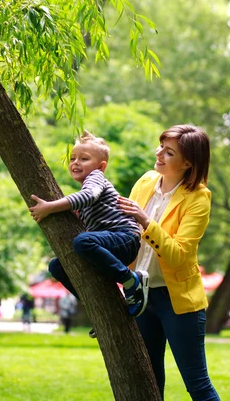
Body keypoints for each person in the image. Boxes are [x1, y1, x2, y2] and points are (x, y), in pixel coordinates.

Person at [117, 124, 220, 400]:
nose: (159, 153)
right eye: (161, 146)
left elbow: (178, 254)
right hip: (141, 296)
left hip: (178, 302)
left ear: (188, 162)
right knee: (150, 380)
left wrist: (145, 221)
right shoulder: (146, 181)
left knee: (197, 383)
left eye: (169, 152)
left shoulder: (199, 198)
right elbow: (122, 228)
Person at [29, 131, 148, 319]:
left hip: (124, 238)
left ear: (101, 167)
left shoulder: (95, 178)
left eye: (84, 158)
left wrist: (51, 207)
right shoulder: (88, 187)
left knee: (82, 242)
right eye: (73, 158)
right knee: (57, 266)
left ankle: (131, 281)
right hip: (108, 245)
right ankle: (97, 309)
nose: (76, 162)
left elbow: (88, 196)